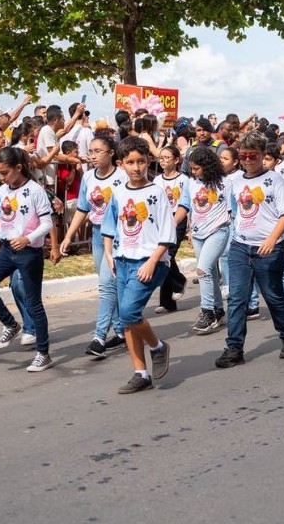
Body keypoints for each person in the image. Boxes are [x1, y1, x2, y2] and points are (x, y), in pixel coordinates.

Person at [215, 132, 284, 369]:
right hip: (241, 246)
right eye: (243, 156)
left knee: (272, 295)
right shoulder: (235, 181)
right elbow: (234, 211)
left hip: (270, 248)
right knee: (237, 298)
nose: (247, 160)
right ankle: (234, 348)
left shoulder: (275, 180)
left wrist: (272, 239)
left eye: (252, 155)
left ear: (263, 155)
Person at [101, 137, 175, 394]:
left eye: (141, 161)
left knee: (129, 313)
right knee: (127, 321)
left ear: (148, 161)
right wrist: (109, 254)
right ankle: (140, 373)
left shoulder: (157, 192)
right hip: (123, 261)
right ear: (121, 164)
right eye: (130, 162)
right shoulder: (118, 192)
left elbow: (167, 233)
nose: (136, 167)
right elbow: (110, 226)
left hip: (150, 261)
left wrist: (152, 261)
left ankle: (158, 347)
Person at [0, 147, 55, 372]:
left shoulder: (35, 190)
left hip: (29, 252)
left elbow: (47, 223)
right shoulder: (3, 189)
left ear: (18, 168)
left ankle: (43, 353)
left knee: (33, 302)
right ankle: (10, 324)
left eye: (5, 172)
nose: (2, 178)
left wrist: (27, 239)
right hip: (6, 249)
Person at [60, 136, 128, 358]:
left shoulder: (122, 176)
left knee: (107, 285)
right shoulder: (88, 177)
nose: (93, 155)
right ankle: (121, 331)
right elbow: (83, 208)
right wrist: (68, 236)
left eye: (99, 151)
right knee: (108, 284)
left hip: (118, 237)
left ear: (111, 153)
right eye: (90, 151)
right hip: (98, 234)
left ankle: (99, 337)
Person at [176, 146, 231, 334]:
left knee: (202, 270)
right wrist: (172, 224)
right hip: (199, 235)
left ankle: (206, 312)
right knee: (210, 272)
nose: (193, 172)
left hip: (218, 231)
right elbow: (184, 206)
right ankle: (218, 310)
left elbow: (233, 211)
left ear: (207, 166)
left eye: (196, 168)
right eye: (191, 168)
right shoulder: (191, 183)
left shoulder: (225, 183)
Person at [152, 146, 189, 314]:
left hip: (178, 219)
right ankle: (167, 302)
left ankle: (179, 282)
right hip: (161, 219)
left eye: (167, 157)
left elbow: (188, 204)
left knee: (169, 255)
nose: (163, 161)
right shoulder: (157, 180)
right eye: (161, 158)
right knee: (163, 257)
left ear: (176, 160)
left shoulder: (184, 180)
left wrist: (189, 227)